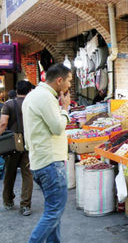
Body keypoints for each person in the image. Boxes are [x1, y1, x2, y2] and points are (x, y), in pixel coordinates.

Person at [22, 63, 72, 243]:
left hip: (39, 161)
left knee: (53, 212)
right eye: (68, 81)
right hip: (50, 163)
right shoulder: (45, 97)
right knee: (53, 213)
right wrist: (65, 109)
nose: (69, 86)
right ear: (59, 81)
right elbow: (58, 127)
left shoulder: (33, 96)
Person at [0, 81, 33, 216]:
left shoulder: (9, 104)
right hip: (28, 143)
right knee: (27, 174)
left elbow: (3, 123)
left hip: (12, 144)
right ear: (29, 90)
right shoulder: (32, 104)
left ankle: (8, 201)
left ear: (16, 90)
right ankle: (25, 205)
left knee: (9, 173)